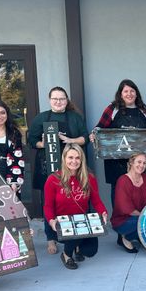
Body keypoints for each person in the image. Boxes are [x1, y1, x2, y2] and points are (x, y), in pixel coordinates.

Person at [29, 86, 89, 255]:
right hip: (46, 167)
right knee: (49, 203)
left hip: (72, 167)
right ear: (49, 100)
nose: (58, 102)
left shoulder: (75, 117)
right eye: (55, 99)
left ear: (66, 100)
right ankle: (51, 239)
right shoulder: (41, 118)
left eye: (62, 99)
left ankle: (75, 239)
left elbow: (85, 138)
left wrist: (69, 140)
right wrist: (46, 143)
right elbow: (32, 141)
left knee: (74, 201)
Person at [44, 144, 108, 270]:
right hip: (62, 223)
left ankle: (77, 246)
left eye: (77, 158)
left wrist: (103, 212)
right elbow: (48, 206)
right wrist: (51, 220)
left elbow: (96, 201)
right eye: (70, 157)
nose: (74, 161)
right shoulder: (53, 179)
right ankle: (67, 254)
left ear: (82, 160)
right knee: (72, 237)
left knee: (90, 251)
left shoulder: (89, 178)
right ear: (64, 158)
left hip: (82, 221)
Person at [92, 79, 146, 205]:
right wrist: (93, 135)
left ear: (136, 94)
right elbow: (99, 128)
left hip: (137, 161)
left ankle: (137, 220)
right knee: (118, 191)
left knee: (138, 190)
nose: (129, 94)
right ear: (120, 94)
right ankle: (118, 222)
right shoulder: (112, 109)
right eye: (126, 91)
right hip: (115, 161)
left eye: (132, 91)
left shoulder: (142, 110)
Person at [111, 152, 146, 253]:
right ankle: (126, 238)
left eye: (144, 163)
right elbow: (127, 209)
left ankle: (137, 234)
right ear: (131, 163)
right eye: (139, 162)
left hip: (139, 216)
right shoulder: (123, 180)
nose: (141, 165)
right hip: (123, 220)